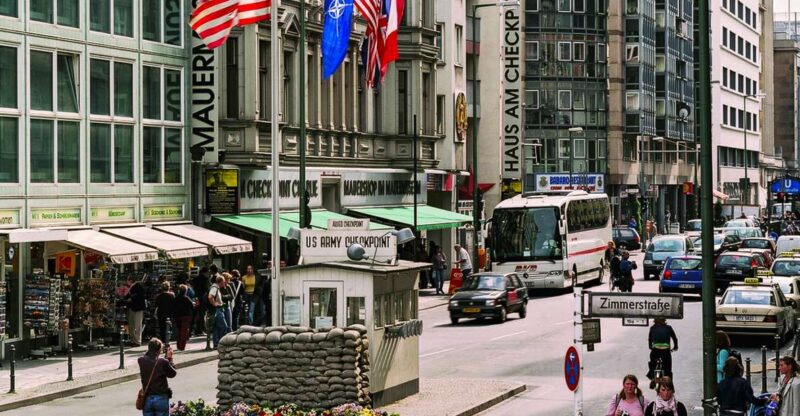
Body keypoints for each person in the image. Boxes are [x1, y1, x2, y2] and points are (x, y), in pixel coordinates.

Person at [137, 338, 176, 416]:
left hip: (147, 398)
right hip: (161, 397)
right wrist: (169, 358)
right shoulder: (162, 362)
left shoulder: (141, 360)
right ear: (159, 350)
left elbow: (146, 356)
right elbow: (172, 374)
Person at [647, 318, 678, 389]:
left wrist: (651, 347)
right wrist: (675, 347)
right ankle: (670, 385)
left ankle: (652, 378)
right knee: (668, 369)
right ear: (664, 320)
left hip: (655, 350)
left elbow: (650, 339)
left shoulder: (652, 328)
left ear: (655, 321)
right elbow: (674, 338)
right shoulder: (669, 328)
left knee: (652, 364)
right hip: (665, 351)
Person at [124, 276, 146, 346]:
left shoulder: (138, 286)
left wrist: (131, 298)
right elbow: (128, 296)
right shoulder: (132, 287)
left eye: (127, 281)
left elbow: (139, 296)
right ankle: (133, 340)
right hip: (132, 308)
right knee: (132, 325)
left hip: (138, 308)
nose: (127, 282)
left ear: (131, 280)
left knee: (137, 325)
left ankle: (137, 341)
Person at [207, 275, 228, 348]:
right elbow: (210, 297)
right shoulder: (214, 288)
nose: (225, 283)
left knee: (216, 327)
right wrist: (215, 304)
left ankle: (216, 344)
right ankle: (221, 342)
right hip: (217, 310)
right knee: (224, 326)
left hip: (216, 310)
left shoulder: (216, 287)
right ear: (221, 282)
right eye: (224, 282)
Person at [173, 285, 195, 351]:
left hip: (178, 316)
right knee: (184, 332)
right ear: (185, 291)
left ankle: (178, 345)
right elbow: (192, 306)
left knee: (179, 331)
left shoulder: (176, 298)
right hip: (186, 315)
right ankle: (182, 346)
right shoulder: (186, 298)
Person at [154, 282, 175, 347]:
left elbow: (156, 306)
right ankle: (167, 341)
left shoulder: (159, 296)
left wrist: (155, 314)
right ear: (169, 287)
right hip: (169, 314)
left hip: (161, 314)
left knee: (162, 329)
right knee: (169, 328)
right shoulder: (172, 295)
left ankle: (163, 342)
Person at [191, 267, 210, 335]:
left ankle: (192, 330)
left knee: (195, 314)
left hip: (196, 298)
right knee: (202, 315)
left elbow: (193, 288)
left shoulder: (195, 279)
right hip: (203, 299)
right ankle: (200, 330)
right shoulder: (205, 279)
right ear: (205, 272)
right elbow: (206, 289)